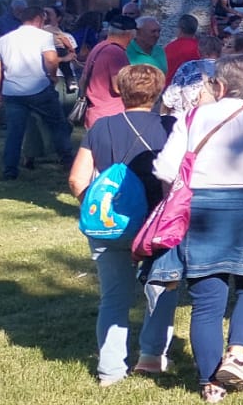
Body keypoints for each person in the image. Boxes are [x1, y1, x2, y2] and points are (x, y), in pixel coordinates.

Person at [147, 55, 243, 403]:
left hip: (200, 209)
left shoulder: (193, 117)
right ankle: (237, 354)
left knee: (207, 300)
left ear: (218, 86)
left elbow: (166, 168)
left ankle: (209, 383)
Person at [68, 63, 181, 385]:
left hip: (110, 225)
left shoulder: (100, 128)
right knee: (162, 287)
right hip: (155, 224)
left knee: (114, 297)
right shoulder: (170, 126)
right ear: (159, 91)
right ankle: (150, 355)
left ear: (120, 90)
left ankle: (110, 369)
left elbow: (77, 179)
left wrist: (98, 204)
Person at [0, 2, 70, 180]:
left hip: (12, 92)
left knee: (14, 132)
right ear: (38, 19)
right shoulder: (43, 37)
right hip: (39, 88)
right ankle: (67, 160)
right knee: (57, 125)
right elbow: (51, 59)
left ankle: (10, 170)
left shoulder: (4, 40)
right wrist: (53, 76)